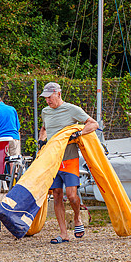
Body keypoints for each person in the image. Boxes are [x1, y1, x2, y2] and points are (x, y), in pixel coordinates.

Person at [38, 82, 98, 244]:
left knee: (71, 195)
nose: (47, 101)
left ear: (58, 94)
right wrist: (41, 141)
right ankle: (63, 234)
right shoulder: (45, 112)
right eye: (45, 98)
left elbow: (93, 124)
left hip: (70, 159)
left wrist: (78, 134)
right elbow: (44, 129)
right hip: (53, 161)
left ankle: (77, 219)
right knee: (57, 195)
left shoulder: (72, 109)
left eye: (50, 97)